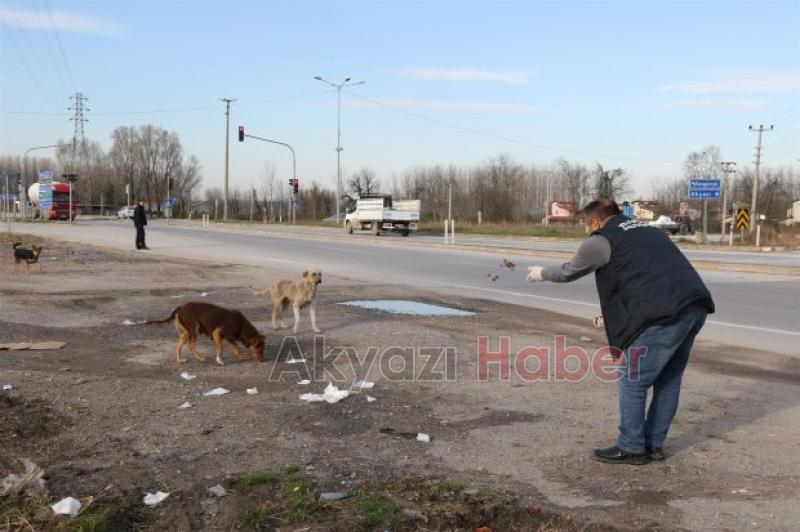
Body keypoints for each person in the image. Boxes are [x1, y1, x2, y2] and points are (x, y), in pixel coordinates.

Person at [527, 199, 714, 465]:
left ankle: (631, 447)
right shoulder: (649, 229)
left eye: (585, 224)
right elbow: (644, 276)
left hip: (665, 314)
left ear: (594, 222)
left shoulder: (600, 240)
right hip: (694, 306)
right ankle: (653, 445)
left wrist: (541, 273)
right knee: (668, 380)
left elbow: (569, 272)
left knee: (632, 379)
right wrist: (612, 316)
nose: (586, 229)